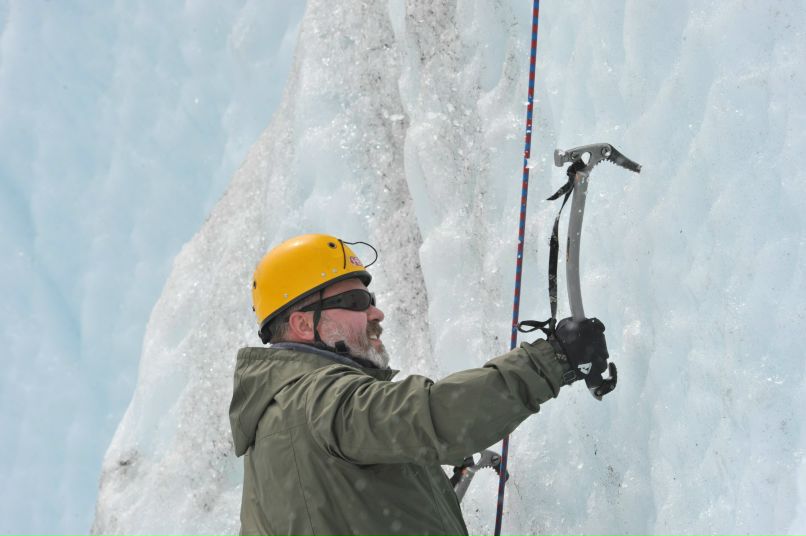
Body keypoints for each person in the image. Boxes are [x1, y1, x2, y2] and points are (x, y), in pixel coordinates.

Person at [229, 233, 612, 536]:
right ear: (301, 324)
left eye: (371, 298)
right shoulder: (314, 399)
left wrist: (418, 477)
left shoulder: (276, 429)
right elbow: (429, 417)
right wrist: (550, 360)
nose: (376, 312)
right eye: (355, 300)